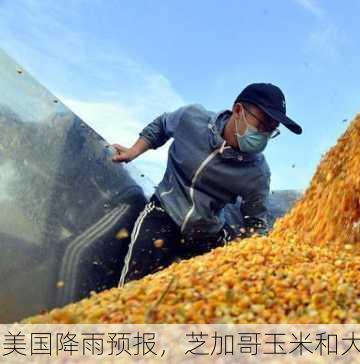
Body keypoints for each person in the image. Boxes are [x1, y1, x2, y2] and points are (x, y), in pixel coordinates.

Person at [111, 83, 302, 286]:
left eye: (271, 131)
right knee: (132, 287)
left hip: (207, 233)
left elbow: (256, 224)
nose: (263, 136)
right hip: (164, 213)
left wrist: (266, 259)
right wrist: (134, 151)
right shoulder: (192, 118)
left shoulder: (258, 172)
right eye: (262, 125)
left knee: (212, 294)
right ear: (238, 111)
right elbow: (161, 125)